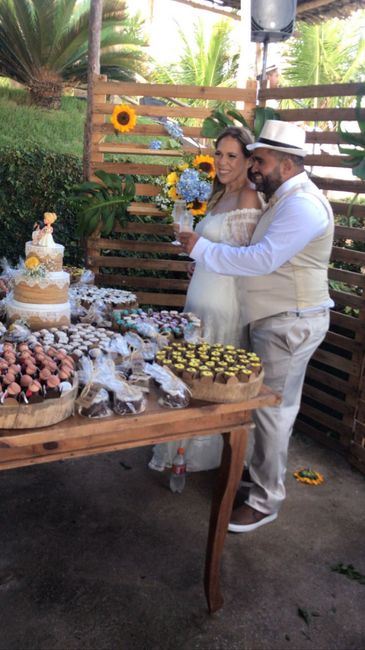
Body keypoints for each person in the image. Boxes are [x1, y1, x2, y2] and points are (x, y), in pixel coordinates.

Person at [179, 120, 334, 532]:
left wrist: (203, 249)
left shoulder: (302, 206)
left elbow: (262, 259)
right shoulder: (283, 197)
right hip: (276, 318)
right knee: (264, 409)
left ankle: (265, 501)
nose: (254, 168)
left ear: (285, 163)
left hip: (291, 321)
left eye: (259, 160)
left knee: (273, 413)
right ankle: (257, 477)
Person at [149, 126, 264, 473]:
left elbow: (247, 259)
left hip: (223, 302)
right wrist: (198, 261)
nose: (222, 162)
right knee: (189, 373)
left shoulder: (247, 197)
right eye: (218, 154)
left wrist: (208, 260)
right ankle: (180, 448)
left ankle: (205, 454)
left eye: (232, 156)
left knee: (211, 379)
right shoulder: (218, 196)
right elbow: (217, 251)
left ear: (248, 161)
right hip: (199, 296)